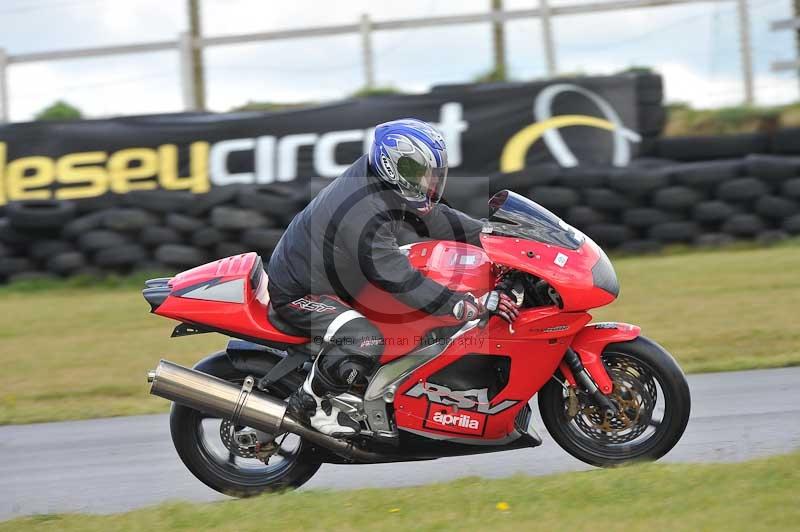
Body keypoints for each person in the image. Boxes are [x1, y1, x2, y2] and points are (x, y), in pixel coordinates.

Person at [267, 118, 520, 437]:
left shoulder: (385, 183)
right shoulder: (362, 208)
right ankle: (310, 403)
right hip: (302, 292)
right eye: (424, 172)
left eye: (435, 173)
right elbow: (392, 272)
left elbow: (437, 219)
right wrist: (457, 304)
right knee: (364, 337)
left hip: (342, 281)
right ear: (396, 166)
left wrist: (492, 236)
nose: (432, 181)